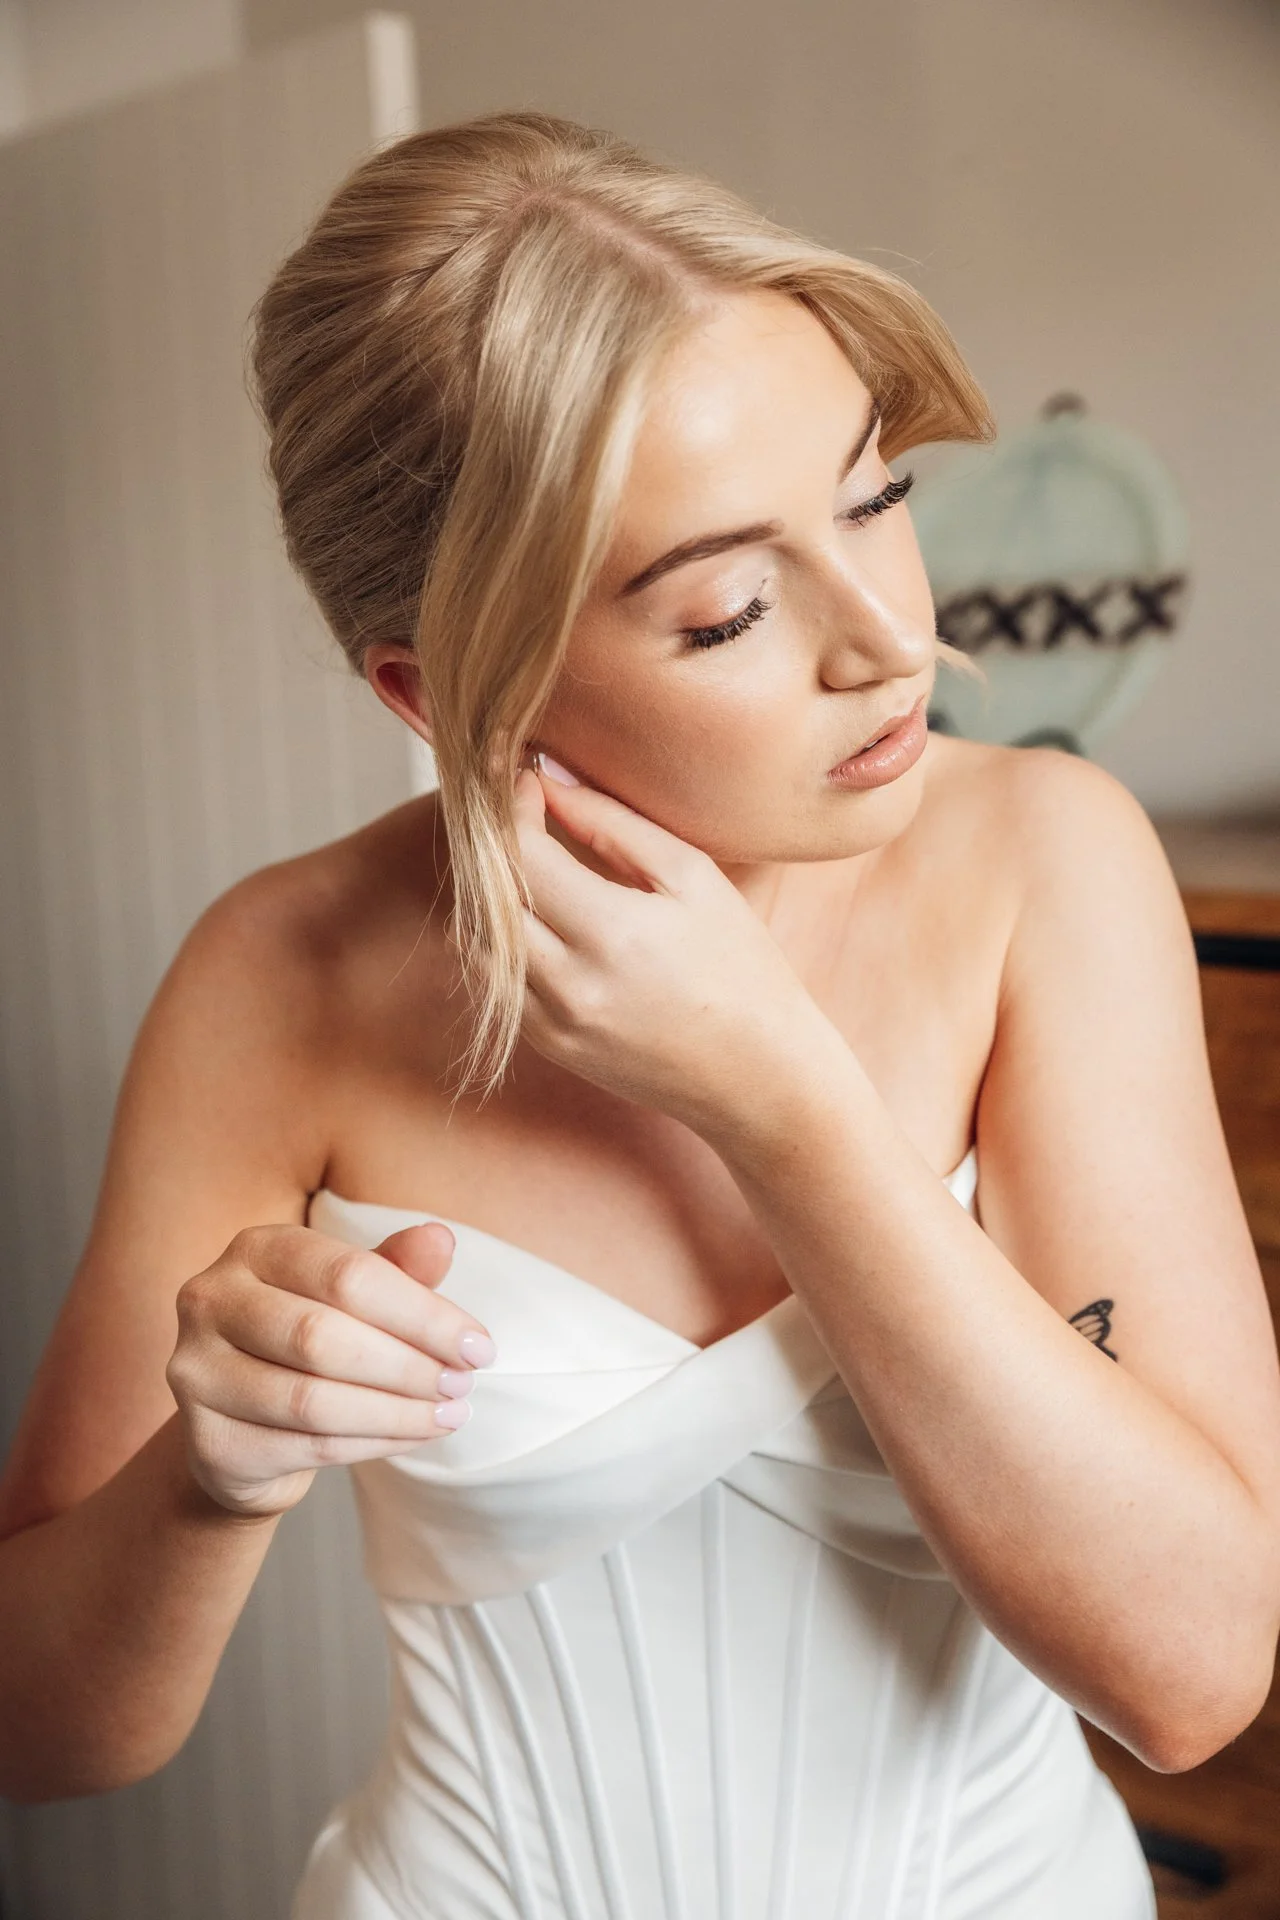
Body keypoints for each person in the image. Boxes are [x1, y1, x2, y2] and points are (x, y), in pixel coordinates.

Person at [1, 110, 1277, 1920]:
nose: (888, 640)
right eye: (731, 608)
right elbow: (44, 1735)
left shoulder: (1045, 866)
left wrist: (784, 1105)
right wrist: (211, 1480)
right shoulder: (277, 981)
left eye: (878, 498)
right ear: (443, 695)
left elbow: (1191, 1677)